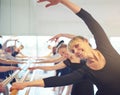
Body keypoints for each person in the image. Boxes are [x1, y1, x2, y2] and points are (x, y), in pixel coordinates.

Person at [10, 0, 120, 95]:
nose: (76, 51)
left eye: (77, 46)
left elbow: (89, 19)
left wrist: (63, 1)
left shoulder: (105, 47)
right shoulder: (85, 71)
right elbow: (59, 80)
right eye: (73, 51)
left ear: (86, 41)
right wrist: (26, 84)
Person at [29, 43, 94, 95]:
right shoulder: (67, 61)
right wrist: (37, 67)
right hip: (76, 85)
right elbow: (51, 67)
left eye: (64, 52)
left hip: (87, 85)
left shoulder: (81, 55)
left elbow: (82, 41)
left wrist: (61, 34)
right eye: (61, 54)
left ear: (68, 48)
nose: (64, 55)